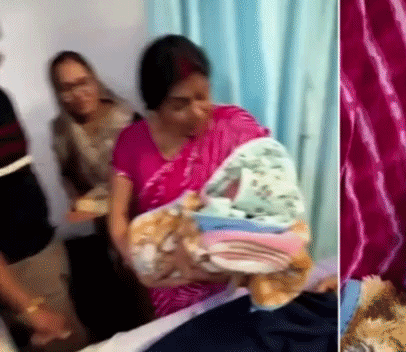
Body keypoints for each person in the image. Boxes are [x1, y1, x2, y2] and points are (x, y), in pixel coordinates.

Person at [108, 34, 270, 317]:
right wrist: (138, 262)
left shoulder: (234, 127)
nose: (197, 112)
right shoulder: (131, 143)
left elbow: (270, 193)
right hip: (171, 283)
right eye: (179, 105)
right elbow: (117, 217)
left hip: (235, 277)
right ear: (155, 106)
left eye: (202, 96)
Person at [0, 87, 89, 352]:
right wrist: (28, 307)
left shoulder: (2, 99)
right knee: (70, 344)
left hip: (45, 245)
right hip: (20, 269)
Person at [49, 51, 141, 221]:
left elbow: (151, 174)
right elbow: (69, 178)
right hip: (103, 221)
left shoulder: (128, 120)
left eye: (83, 82)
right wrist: (78, 202)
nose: (78, 93)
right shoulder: (62, 131)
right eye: (67, 88)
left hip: (143, 214)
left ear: (94, 80)